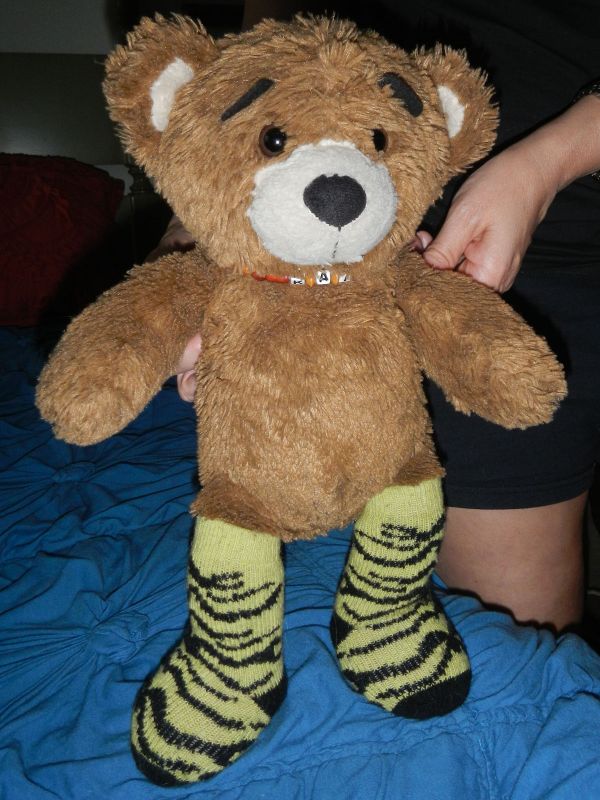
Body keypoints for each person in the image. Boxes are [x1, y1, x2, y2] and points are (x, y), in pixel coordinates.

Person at [151, 0, 600, 633]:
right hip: (345, 246)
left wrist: (545, 165)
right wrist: (198, 227)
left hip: (558, 239)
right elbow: (255, 51)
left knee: (519, 633)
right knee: (515, 635)